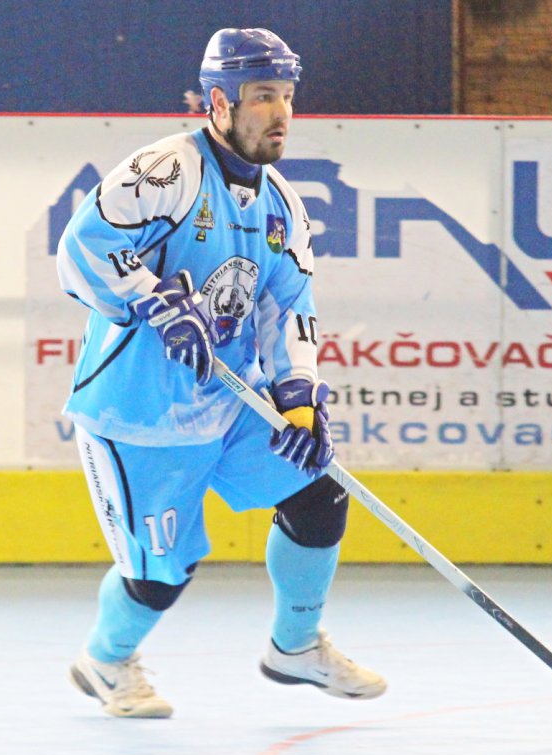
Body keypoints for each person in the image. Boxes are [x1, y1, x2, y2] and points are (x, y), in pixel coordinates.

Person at [56, 27, 386, 718]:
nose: (281, 112)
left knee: (318, 493)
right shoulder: (166, 170)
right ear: (218, 102)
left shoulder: (280, 203)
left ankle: (295, 646)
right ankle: (106, 659)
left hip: (230, 406)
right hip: (138, 416)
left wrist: (297, 392)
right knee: (160, 575)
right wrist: (151, 300)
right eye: (262, 95)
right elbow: (84, 246)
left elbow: (289, 304)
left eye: (287, 95)